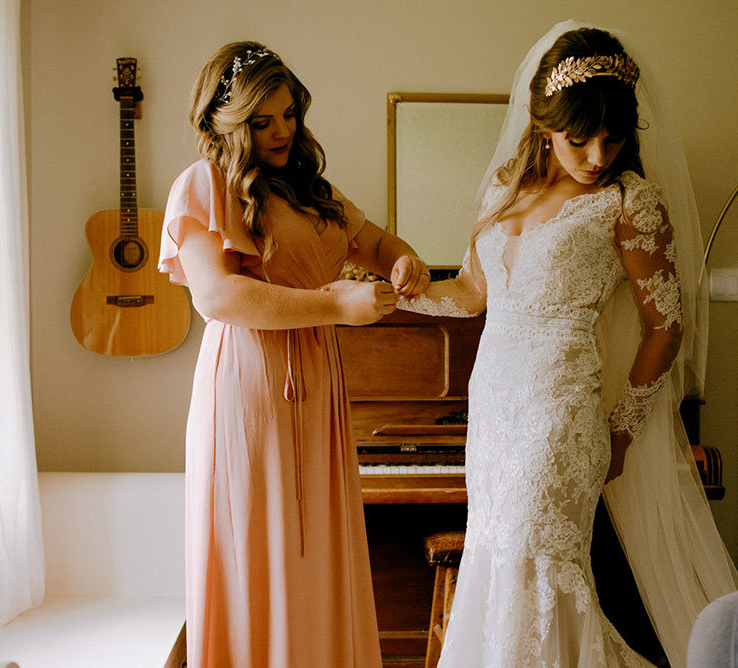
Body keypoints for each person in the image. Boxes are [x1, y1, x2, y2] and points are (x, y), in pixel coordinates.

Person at [394, 20, 738, 667]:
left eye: (613, 136)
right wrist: (408, 289)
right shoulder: (505, 188)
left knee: (537, 569)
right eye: (581, 138)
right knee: (496, 564)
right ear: (545, 126)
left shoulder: (628, 201)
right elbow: (471, 293)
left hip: (561, 411)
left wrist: (623, 432)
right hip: (494, 411)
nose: (598, 153)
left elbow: (667, 326)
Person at [157, 41, 430, 667]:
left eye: (289, 114)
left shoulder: (311, 188)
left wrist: (401, 260)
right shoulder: (202, 185)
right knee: (257, 551)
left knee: (316, 555)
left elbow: (377, 242)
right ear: (227, 122)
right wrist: (334, 306)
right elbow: (218, 296)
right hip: (248, 391)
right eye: (262, 121)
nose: (282, 131)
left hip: (318, 389)